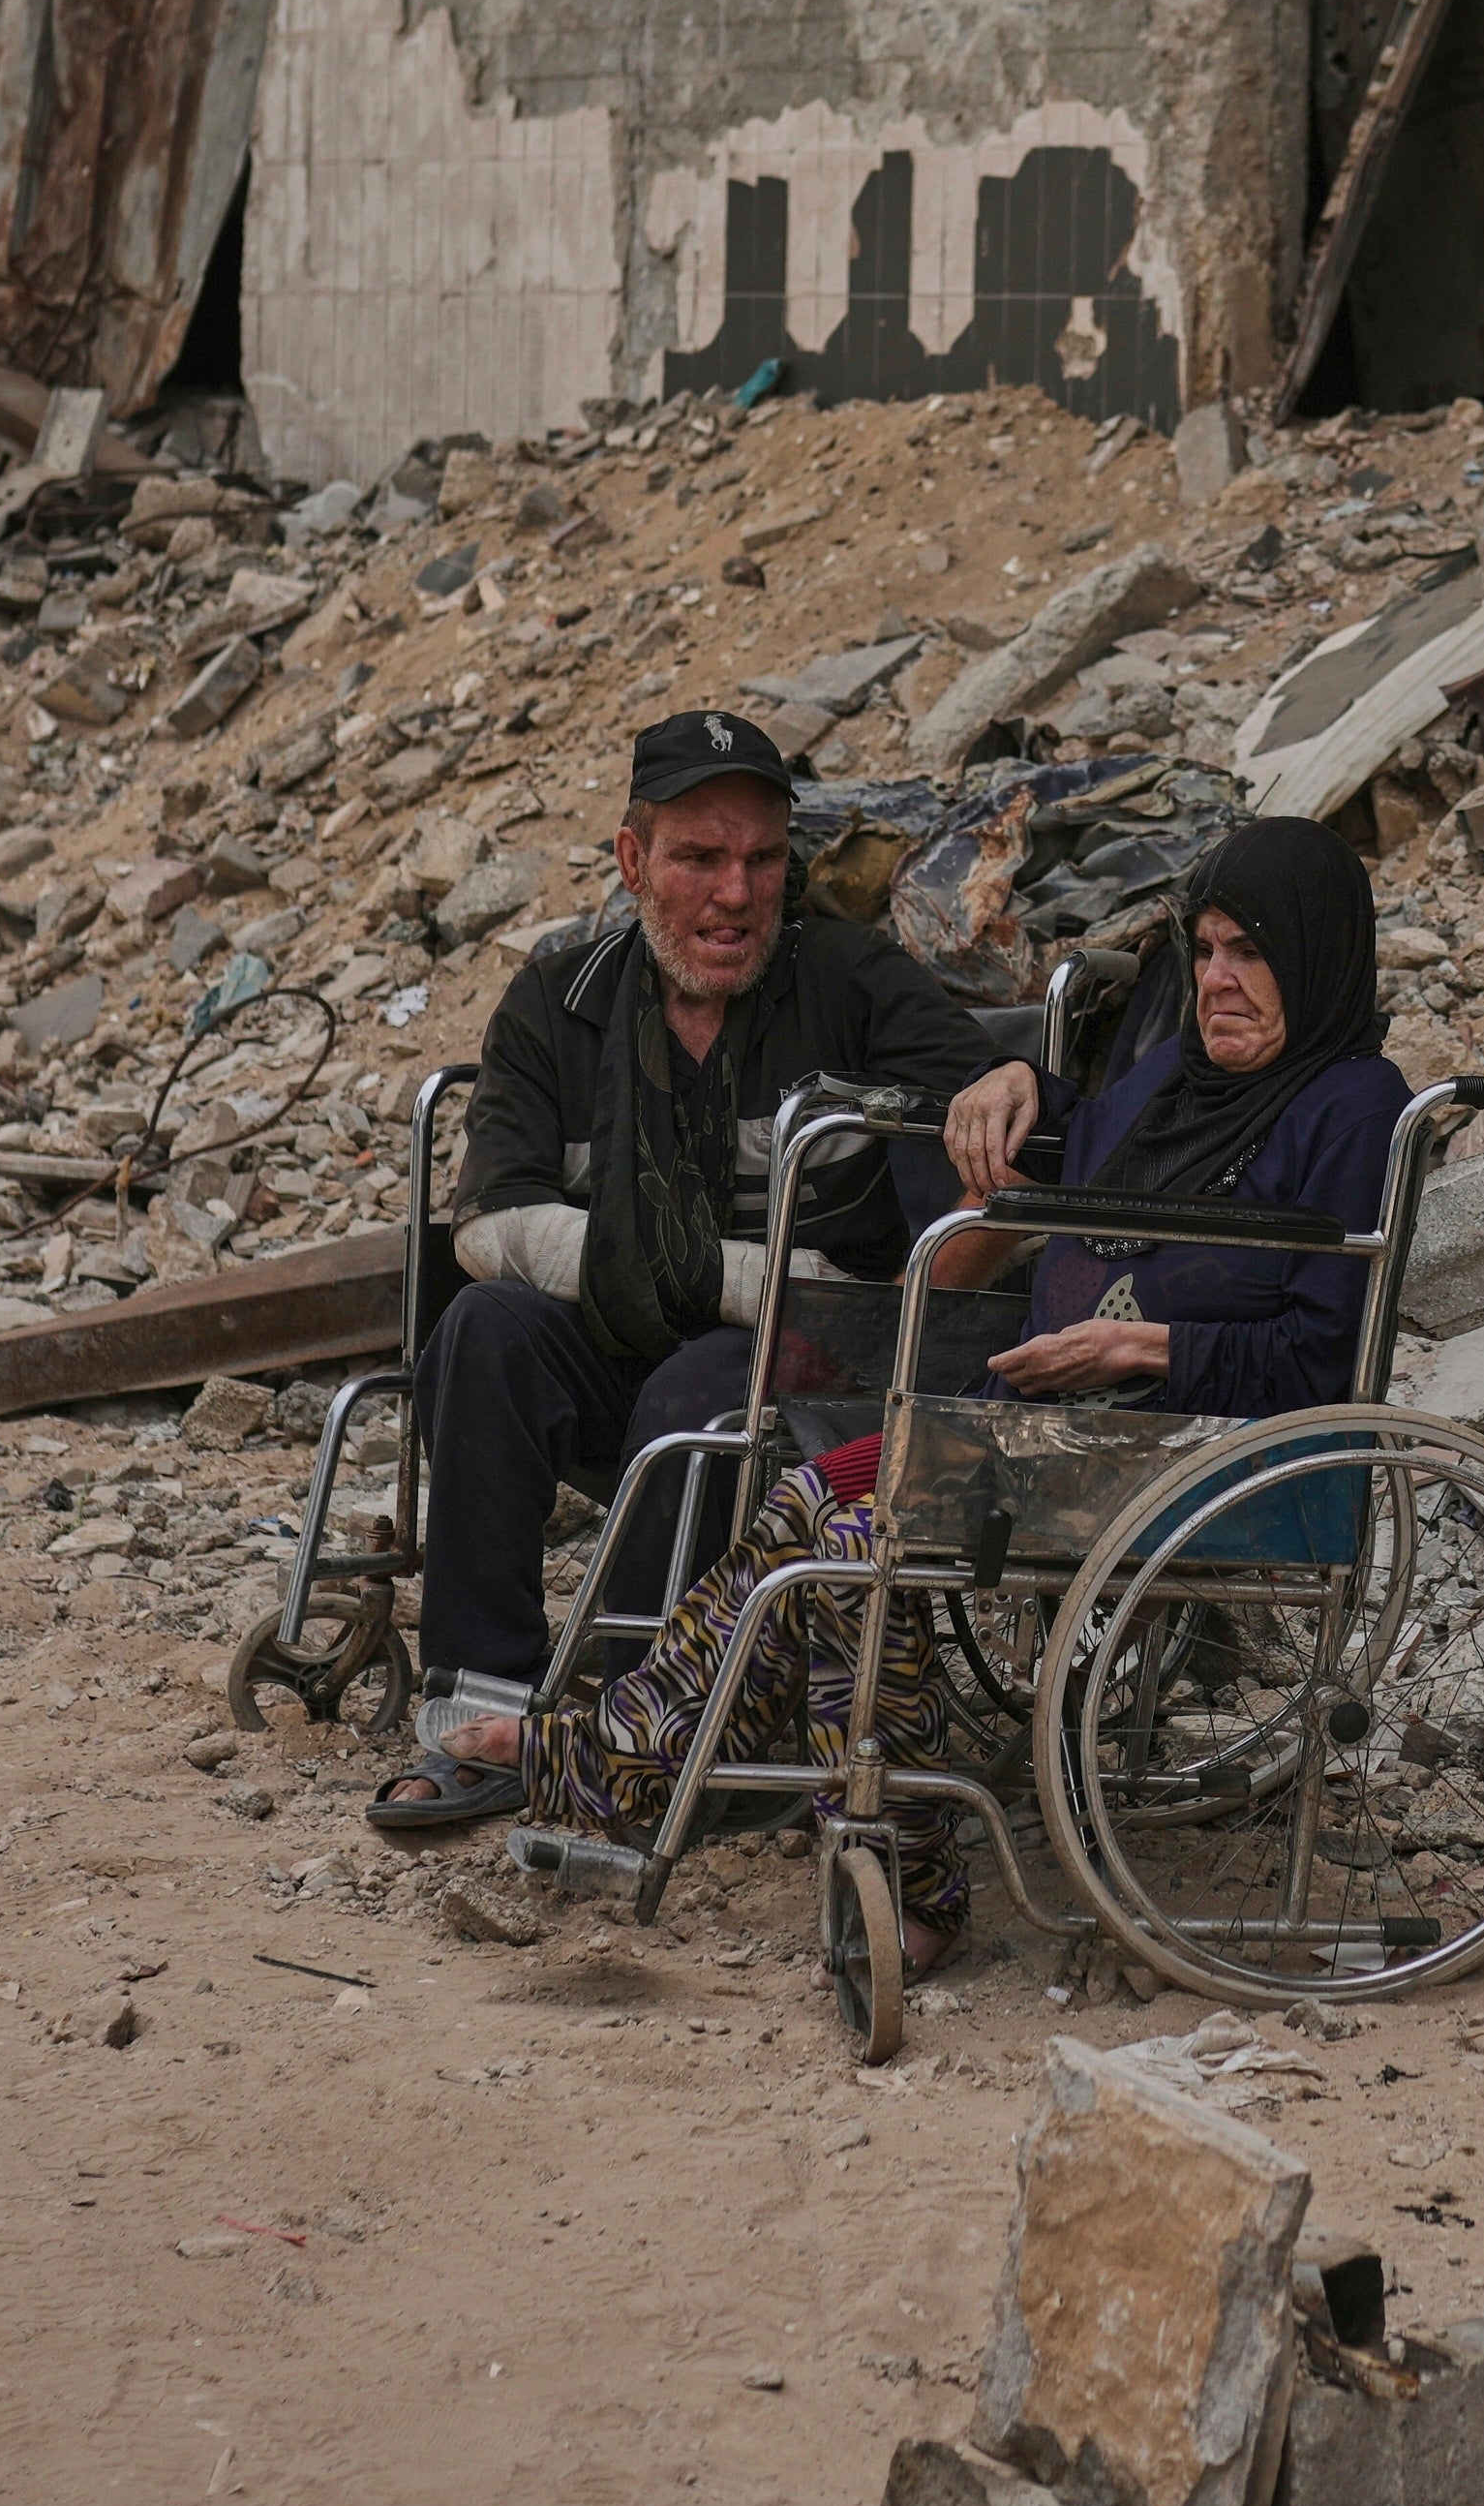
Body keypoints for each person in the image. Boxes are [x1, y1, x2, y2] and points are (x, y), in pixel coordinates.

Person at [512, 814, 1412, 1955]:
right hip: (1073, 1432)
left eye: (1251, 953)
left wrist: (1141, 1348)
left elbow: (1323, 1354)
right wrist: (1015, 1079)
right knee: (811, 1504)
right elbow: (1085, 1134)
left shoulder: (1352, 1103)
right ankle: (658, 1770)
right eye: (1206, 950)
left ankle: (880, 1865)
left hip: (1210, 1457)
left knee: (853, 1533)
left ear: (1317, 955)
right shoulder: (1183, 1077)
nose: (1217, 980)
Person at [372, 710, 1032, 1839]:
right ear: (633, 861)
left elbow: (1002, 1127)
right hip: (638, 1338)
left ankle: (638, 1735)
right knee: (482, 1330)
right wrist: (767, 1276)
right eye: (699, 858)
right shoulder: (560, 1001)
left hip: (795, 1369)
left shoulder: (851, 981)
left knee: (702, 1389)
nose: (736, 894)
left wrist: (1013, 1080)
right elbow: (492, 1226)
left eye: (763, 859)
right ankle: (479, 1710)